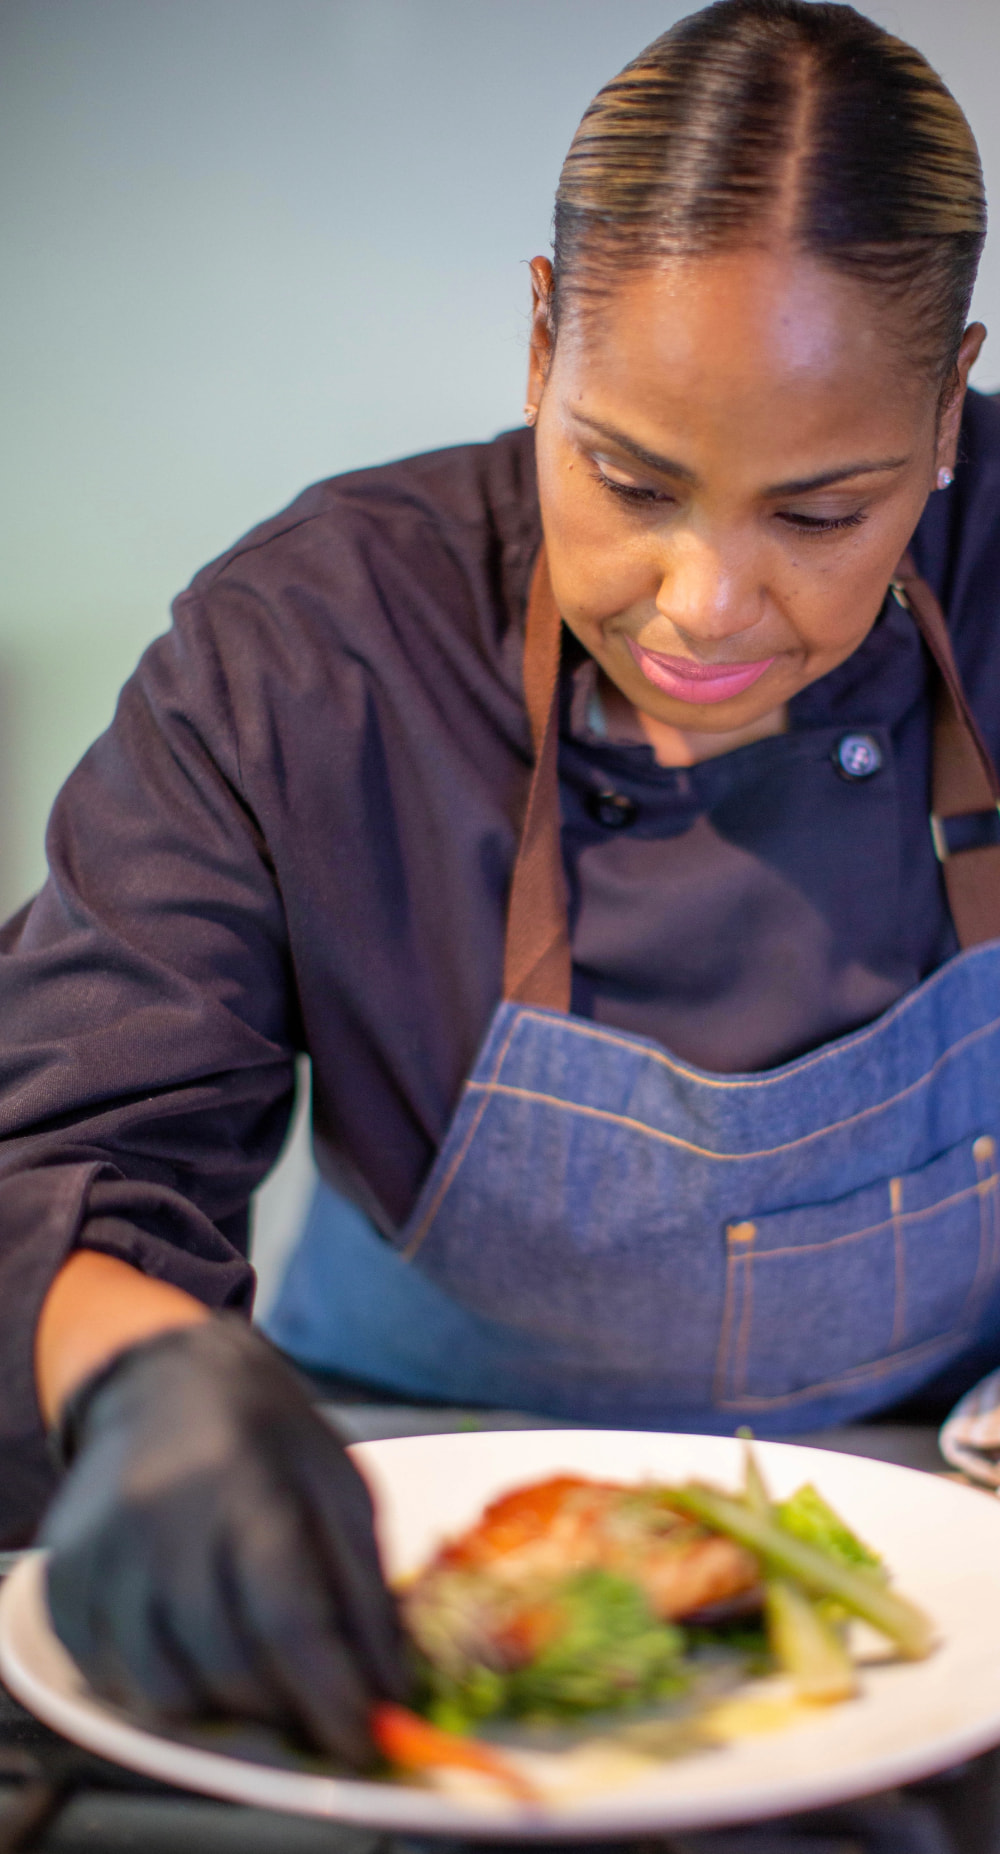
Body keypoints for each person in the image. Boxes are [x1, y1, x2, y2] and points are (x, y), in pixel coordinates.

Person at [2, 0, 999, 1771]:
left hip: (933, 1546)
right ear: (540, 344)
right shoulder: (310, 653)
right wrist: (141, 1378)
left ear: (948, 413)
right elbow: (69, 1148)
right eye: (631, 479)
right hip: (379, 1526)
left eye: (824, 511)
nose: (706, 605)